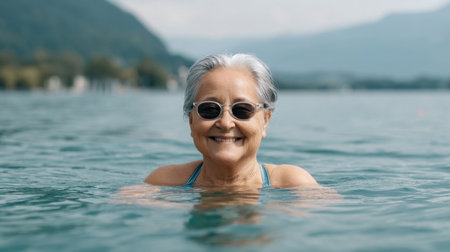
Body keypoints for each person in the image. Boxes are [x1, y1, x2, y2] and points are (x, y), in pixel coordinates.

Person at [145, 53, 318, 188]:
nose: (226, 123)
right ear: (191, 120)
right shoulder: (163, 182)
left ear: (265, 120)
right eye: (210, 109)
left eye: (242, 110)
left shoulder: (293, 185)